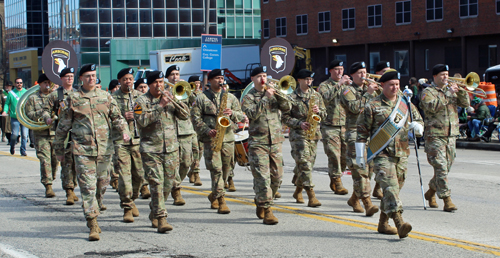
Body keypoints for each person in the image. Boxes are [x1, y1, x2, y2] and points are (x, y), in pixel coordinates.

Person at [53, 64, 130, 241]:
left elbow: (117, 117)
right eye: (87, 76)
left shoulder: (105, 97)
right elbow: (63, 126)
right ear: (81, 78)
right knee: (87, 187)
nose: (91, 78)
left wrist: (124, 130)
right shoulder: (73, 99)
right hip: (83, 150)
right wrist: (59, 149)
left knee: (102, 184)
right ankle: (92, 222)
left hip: (104, 149)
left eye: (93, 75)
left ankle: (97, 203)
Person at [357, 70, 424, 238]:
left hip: (402, 153)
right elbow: (361, 132)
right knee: (390, 188)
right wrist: (359, 156)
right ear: (382, 86)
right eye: (391, 85)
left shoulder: (405, 104)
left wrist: (417, 128)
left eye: (397, 85)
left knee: (393, 191)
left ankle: (382, 223)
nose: (395, 88)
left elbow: (418, 120)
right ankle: (399, 222)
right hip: (381, 154)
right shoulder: (372, 106)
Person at [134, 70, 189, 232]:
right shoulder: (140, 101)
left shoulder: (170, 97)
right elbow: (142, 121)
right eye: (156, 83)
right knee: (156, 183)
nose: (159, 85)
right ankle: (161, 217)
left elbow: (186, 115)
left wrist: (177, 101)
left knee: (169, 183)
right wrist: (160, 106)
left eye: (161, 82)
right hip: (151, 149)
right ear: (150, 84)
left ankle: (155, 209)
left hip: (171, 148)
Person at [241, 66, 291, 224]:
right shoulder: (248, 98)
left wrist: (278, 94)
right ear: (252, 79)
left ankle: (261, 199)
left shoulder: (274, 93)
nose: (263, 79)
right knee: (263, 177)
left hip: (275, 141)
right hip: (258, 142)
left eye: (264, 76)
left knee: (277, 177)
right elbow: (252, 114)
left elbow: (288, 107)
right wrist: (265, 98)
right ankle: (268, 209)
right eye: (259, 76)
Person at [192, 69, 244, 214]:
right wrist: (206, 130)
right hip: (211, 139)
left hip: (227, 138)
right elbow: (195, 119)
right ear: (210, 80)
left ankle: (214, 194)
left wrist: (232, 113)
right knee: (216, 170)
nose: (220, 81)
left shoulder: (231, 98)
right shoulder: (201, 98)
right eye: (217, 78)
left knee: (227, 170)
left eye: (222, 78)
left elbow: (240, 116)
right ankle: (221, 200)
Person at [420, 64, 470, 212]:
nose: (446, 77)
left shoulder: (452, 90)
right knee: (441, 168)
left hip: (451, 135)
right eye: (442, 74)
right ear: (435, 76)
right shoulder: (427, 91)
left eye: (447, 74)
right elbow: (431, 107)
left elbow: (466, 104)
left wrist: (461, 91)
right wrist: (448, 93)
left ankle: (430, 192)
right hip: (435, 135)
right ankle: (447, 200)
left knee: (445, 168)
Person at [339, 62, 379, 216]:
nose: (364, 76)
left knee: (368, 171)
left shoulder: (371, 90)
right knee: (359, 169)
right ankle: (367, 203)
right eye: (360, 73)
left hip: (369, 133)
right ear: (353, 75)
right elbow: (355, 108)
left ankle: (354, 198)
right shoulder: (347, 90)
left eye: (365, 72)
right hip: (354, 134)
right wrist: (368, 94)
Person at [282, 69, 326, 207]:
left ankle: (298, 191)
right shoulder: (291, 97)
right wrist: (299, 123)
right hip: (298, 135)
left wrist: (319, 112)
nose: (309, 82)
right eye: (306, 79)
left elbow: (325, 114)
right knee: (305, 163)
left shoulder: (316, 96)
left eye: (311, 80)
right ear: (299, 80)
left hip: (313, 134)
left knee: (307, 165)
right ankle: (311, 195)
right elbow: (285, 117)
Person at [112, 68, 149, 223]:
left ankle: (132, 198)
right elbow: (107, 119)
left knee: (140, 176)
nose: (128, 82)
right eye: (125, 79)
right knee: (124, 176)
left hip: (138, 140)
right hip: (121, 141)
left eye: (130, 79)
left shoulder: (140, 97)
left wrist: (138, 116)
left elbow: (147, 115)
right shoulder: (112, 98)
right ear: (119, 81)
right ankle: (127, 207)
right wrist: (122, 116)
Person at [43, 67, 79, 205]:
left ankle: (73, 186)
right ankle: (69, 191)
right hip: (63, 132)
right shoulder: (55, 95)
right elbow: (46, 110)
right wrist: (48, 118)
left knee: (76, 163)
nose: (70, 78)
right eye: (67, 76)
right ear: (62, 79)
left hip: (77, 132)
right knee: (66, 162)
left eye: (71, 76)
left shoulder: (78, 93)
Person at [165, 65, 197, 205]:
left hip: (185, 131)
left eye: (177, 74)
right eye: (172, 74)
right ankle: (176, 190)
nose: (175, 77)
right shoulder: (163, 91)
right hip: (169, 131)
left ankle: (175, 183)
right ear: (167, 77)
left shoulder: (184, 89)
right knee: (172, 163)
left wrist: (188, 91)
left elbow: (195, 105)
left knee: (185, 162)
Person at [317, 60, 350, 195]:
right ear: (330, 71)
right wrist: (339, 84)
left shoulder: (346, 86)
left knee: (345, 156)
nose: (339, 72)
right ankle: (337, 181)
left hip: (345, 125)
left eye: (341, 69)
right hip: (329, 125)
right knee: (334, 155)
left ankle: (334, 175)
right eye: (336, 69)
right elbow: (325, 98)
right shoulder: (324, 85)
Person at [25, 74, 58, 197]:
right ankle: (48, 185)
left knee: (55, 160)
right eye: (45, 82)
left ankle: (51, 178)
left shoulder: (54, 97)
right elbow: (29, 114)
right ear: (39, 84)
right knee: (45, 160)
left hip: (54, 132)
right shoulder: (33, 98)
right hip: (41, 134)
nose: (47, 85)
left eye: (49, 82)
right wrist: (43, 112)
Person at [2, 78, 28, 156]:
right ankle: (12, 146)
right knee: (14, 135)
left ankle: (23, 150)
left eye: (20, 83)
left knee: (24, 135)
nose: (19, 84)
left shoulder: (26, 92)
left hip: (24, 117)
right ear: (15, 84)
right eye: (17, 83)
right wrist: (5, 111)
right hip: (15, 117)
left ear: (22, 83)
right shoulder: (11, 93)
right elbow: (7, 103)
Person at [187, 75, 203, 186]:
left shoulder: (202, 94)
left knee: (200, 150)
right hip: (190, 126)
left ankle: (192, 171)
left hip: (200, 126)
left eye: (198, 83)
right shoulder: (186, 94)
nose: (197, 85)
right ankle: (196, 173)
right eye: (194, 83)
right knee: (193, 150)